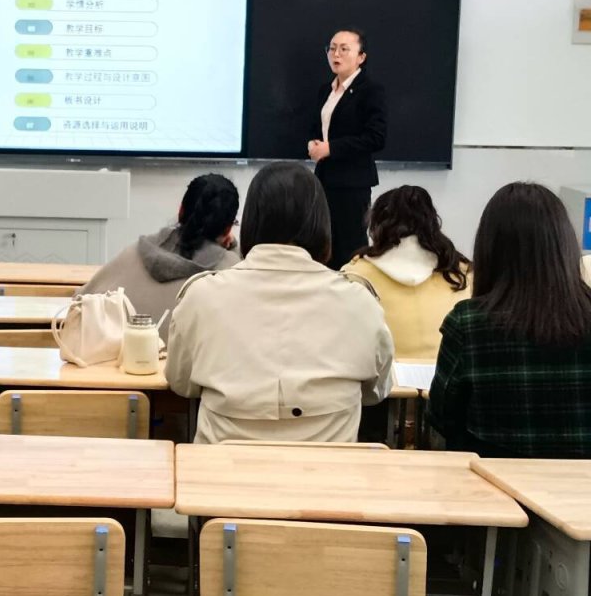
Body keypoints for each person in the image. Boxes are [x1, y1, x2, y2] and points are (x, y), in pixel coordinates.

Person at [166, 161, 394, 443]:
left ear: (250, 222)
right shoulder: (360, 302)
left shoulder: (202, 296)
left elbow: (181, 383)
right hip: (328, 469)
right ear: (322, 225)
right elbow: (376, 392)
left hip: (223, 468)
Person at [429, 182, 591, 458]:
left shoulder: (467, 323)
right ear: (565, 244)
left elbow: (442, 416)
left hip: (489, 477)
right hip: (580, 483)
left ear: (489, 248)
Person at [79, 173, 240, 341]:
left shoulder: (134, 253)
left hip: (118, 355)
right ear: (228, 229)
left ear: (180, 211)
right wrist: (234, 248)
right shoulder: (232, 272)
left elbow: (81, 301)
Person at [342, 185, 470, 358]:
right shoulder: (462, 273)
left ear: (376, 226)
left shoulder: (355, 275)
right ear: (432, 223)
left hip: (383, 373)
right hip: (447, 372)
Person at [308, 28, 387, 269]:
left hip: (352, 183)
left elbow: (376, 138)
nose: (336, 54)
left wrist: (331, 148)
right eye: (332, 48)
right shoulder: (326, 90)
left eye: (344, 49)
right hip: (324, 179)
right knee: (323, 243)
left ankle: (351, 287)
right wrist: (312, 142)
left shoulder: (370, 90)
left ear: (361, 57)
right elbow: (319, 128)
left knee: (349, 247)